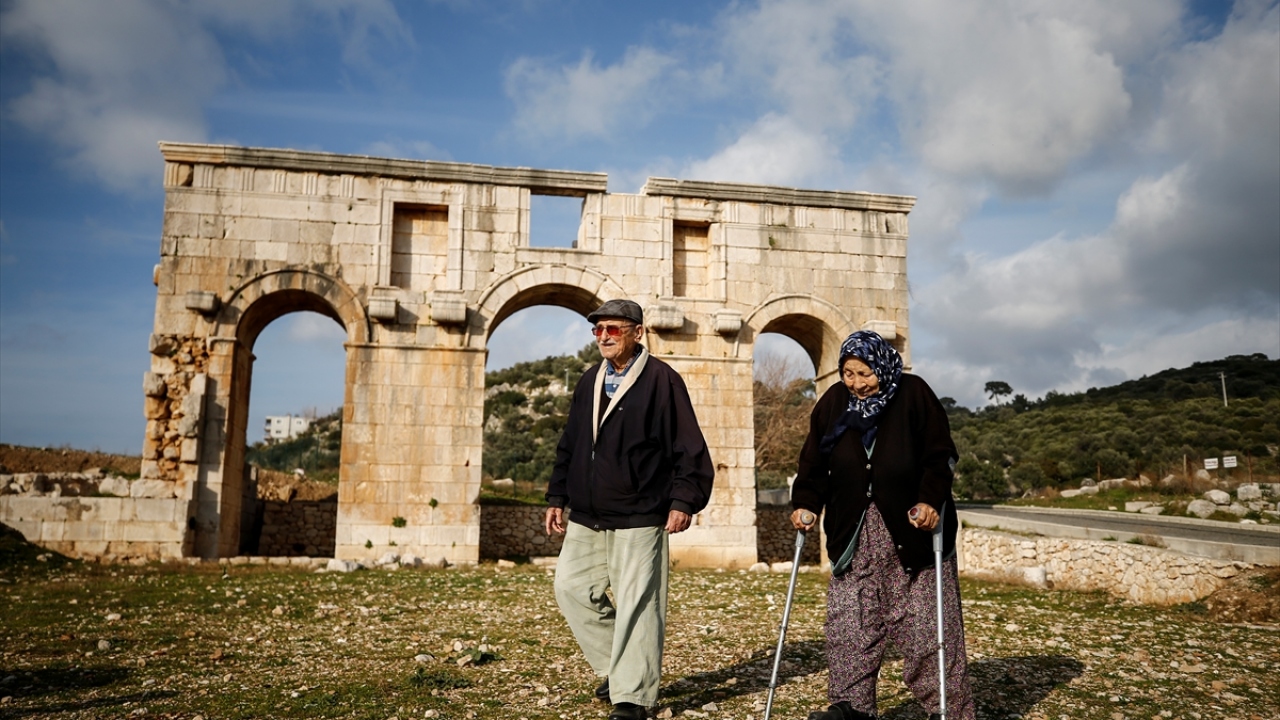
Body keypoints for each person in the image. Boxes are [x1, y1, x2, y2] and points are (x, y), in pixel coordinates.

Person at [790, 330, 975, 720]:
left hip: (913, 534)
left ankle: (948, 710)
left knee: (927, 632)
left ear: (883, 366)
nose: (856, 384)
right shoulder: (832, 404)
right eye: (848, 374)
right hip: (853, 534)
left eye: (864, 373)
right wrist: (806, 503)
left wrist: (929, 499)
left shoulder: (914, 394)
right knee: (849, 626)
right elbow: (813, 464)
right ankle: (850, 708)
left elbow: (940, 457)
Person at [545, 298, 715, 720]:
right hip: (587, 513)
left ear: (637, 333)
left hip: (641, 513)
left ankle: (633, 697)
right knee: (570, 588)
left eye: (613, 329)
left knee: (639, 603)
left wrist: (683, 501)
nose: (603, 337)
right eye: (597, 330)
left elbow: (689, 447)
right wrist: (557, 496)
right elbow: (570, 443)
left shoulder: (663, 381)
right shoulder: (588, 380)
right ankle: (620, 668)